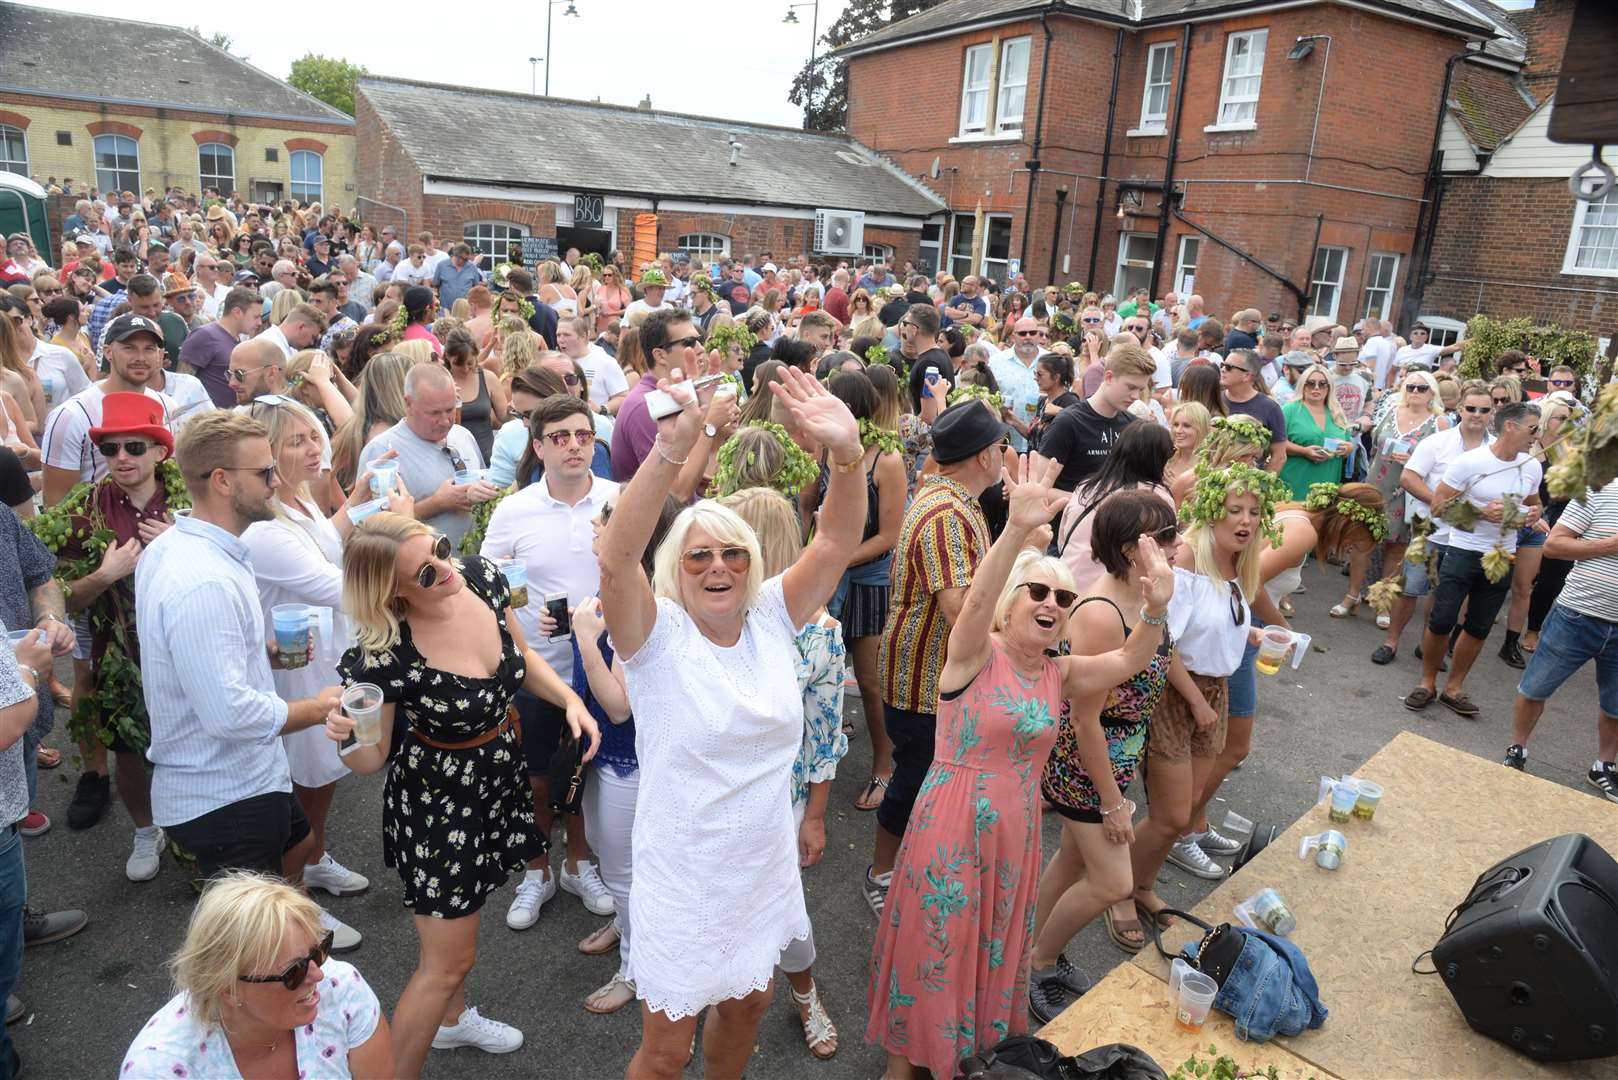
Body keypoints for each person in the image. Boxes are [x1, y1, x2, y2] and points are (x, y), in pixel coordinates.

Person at [868, 456, 1175, 1079]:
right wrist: (1015, 532)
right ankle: (903, 1065)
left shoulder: (1057, 673)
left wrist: (1156, 607)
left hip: (1016, 830)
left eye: (1064, 597)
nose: (1053, 602)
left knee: (991, 943)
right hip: (951, 822)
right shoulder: (974, 656)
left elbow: (1129, 658)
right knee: (938, 942)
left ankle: (966, 1046)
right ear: (1011, 606)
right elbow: (976, 597)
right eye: (1038, 591)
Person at [597, 365, 864, 1080]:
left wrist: (848, 455)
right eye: (699, 556)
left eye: (733, 552)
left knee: (747, 1012)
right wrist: (670, 451)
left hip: (761, 868)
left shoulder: (774, 616)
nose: (718, 566)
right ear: (676, 572)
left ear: (752, 563)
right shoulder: (655, 641)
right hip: (683, 876)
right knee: (663, 1053)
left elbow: (835, 542)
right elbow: (617, 558)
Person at [328, 512, 597, 1075]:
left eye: (441, 549)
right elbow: (369, 761)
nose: (445, 570)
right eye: (424, 574)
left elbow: (517, 662)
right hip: (438, 806)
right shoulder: (386, 653)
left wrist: (570, 700)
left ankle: (452, 1024)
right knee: (447, 963)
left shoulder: (479, 576)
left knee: (456, 937)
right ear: (392, 594)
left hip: (496, 781)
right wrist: (348, 735)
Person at [134, 410, 360, 942]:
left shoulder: (188, 547)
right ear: (222, 481)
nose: (277, 481)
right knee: (253, 952)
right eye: (264, 473)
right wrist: (322, 706)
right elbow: (230, 714)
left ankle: (302, 926)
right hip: (224, 793)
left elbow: (198, 651)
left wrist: (264, 649)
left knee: (299, 847)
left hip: (252, 773)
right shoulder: (203, 580)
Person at [242, 396, 408, 904]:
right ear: (267, 453)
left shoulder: (296, 497)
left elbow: (329, 541)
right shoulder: (265, 529)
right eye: (297, 441)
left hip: (326, 655)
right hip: (297, 669)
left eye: (315, 434)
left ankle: (313, 861)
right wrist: (407, 528)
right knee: (302, 784)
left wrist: (358, 499)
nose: (316, 448)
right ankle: (294, 898)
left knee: (325, 773)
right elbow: (337, 585)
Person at [1028, 490, 1181, 1012]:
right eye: (1161, 538)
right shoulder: (1099, 613)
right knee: (1115, 881)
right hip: (1084, 766)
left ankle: (1027, 952)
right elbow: (1084, 719)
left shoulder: (1147, 596)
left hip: (1117, 759)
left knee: (1072, 859)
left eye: (1172, 533)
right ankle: (1040, 964)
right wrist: (1114, 802)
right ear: (1127, 549)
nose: (1174, 544)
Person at [1121, 463, 1281, 931]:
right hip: (1180, 693)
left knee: (1183, 809)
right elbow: (1163, 641)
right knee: (1170, 816)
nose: (1246, 521)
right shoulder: (1189, 559)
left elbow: (1209, 621)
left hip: (1214, 692)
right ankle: (1118, 893)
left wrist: (1248, 634)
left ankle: (1142, 886)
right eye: (1235, 510)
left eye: (1254, 512)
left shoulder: (1237, 562)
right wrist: (1195, 701)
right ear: (1213, 513)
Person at [480, 395, 619, 930]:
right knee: (536, 781)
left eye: (583, 435)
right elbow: (489, 587)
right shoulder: (513, 510)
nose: (574, 446)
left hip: (603, 666)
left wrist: (606, 615)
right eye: (559, 437)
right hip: (536, 670)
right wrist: (520, 616)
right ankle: (535, 871)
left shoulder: (616, 498)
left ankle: (578, 864)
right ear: (538, 448)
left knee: (589, 772)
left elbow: (639, 573)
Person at [721, 486, 847, 1061]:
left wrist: (815, 817)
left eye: (730, 545)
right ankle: (719, 996)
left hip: (779, 799)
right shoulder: (697, 622)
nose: (716, 561)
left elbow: (826, 735)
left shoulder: (819, 633)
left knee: (784, 911)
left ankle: (804, 993)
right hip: (708, 799)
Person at [865, 402, 1004, 917]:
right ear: (985, 455)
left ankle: (910, 867)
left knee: (931, 783)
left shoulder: (952, 498)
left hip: (934, 678)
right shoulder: (945, 512)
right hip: (923, 682)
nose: (1006, 456)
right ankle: (881, 875)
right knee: (915, 781)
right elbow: (960, 610)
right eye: (1002, 447)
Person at [42, 394, 186, 881]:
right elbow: (59, 598)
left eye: (134, 447)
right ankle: (146, 830)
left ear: (160, 452)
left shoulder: (195, 498)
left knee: (195, 742)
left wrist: (182, 545)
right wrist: (107, 574)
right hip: (119, 655)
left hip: (187, 646)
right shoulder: (87, 509)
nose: (121, 458)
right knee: (127, 748)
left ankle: (194, 829)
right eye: (110, 449)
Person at [120, 872, 394, 1078]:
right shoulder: (160, 1069)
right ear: (228, 988)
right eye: (293, 972)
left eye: (318, 951)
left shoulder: (341, 988)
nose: (317, 975)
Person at [1403, 401, 1543, 718]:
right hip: (1463, 549)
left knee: (1479, 626)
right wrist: (1482, 512)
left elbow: (1536, 505)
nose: (1538, 434)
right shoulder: (1470, 462)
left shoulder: (1531, 466)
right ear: (1511, 427)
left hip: (1502, 555)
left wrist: (1534, 514)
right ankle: (1427, 682)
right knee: (1441, 619)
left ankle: (1454, 687)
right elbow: (1438, 507)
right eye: (1533, 428)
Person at [1503, 477, 1618, 797]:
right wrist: (1609, 545)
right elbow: (1554, 545)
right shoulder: (1599, 493)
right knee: (1535, 687)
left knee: (1616, 705)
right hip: (1578, 614)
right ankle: (1517, 750)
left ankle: (1604, 766)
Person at [1342, 370, 1449, 621]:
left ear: (1432, 392)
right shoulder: (1392, 411)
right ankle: (1353, 595)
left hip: (1406, 491)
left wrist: (1414, 460)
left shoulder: (1440, 423)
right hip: (1377, 485)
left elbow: (1443, 462)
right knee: (1362, 542)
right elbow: (1375, 445)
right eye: (1410, 387)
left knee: (1395, 548)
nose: (1414, 392)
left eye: (1421, 388)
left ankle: (1383, 602)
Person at [357, 364, 495, 549]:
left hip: (475, 567)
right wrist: (437, 503)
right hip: (427, 573)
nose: (446, 420)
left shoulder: (463, 435)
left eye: (450, 409)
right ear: (408, 403)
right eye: (434, 413)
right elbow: (370, 530)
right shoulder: (382, 451)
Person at [1056, 421, 1175, 593]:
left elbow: (1063, 539)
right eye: (1172, 452)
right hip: (1108, 595)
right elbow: (1165, 552)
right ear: (1160, 458)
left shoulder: (1087, 486)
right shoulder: (1157, 498)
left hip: (1065, 584)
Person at [1041, 343, 1154, 495]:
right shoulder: (1068, 422)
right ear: (1108, 377)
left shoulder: (1134, 426)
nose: (1136, 396)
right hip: (1071, 517)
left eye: (1140, 390)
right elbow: (1039, 490)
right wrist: (1096, 502)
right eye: (1130, 387)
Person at [609, 308, 704, 482]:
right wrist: (710, 426)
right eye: (689, 342)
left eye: (700, 340)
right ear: (660, 355)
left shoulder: (676, 394)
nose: (701, 348)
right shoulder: (645, 406)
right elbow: (674, 492)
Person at [1279, 363, 1353, 499]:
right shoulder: (1290, 410)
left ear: (1329, 387)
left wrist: (1347, 448)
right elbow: (1276, 443)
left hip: (1327, 482)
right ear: (1303, 385)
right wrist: (1304, 451)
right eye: (1311, 383)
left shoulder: (1336, 412)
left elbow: (1348, 442)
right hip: (1294, 481)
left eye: (1322, 383)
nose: (1316, 388)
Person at [1220, 348, 1287, 475]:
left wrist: (1261, 486)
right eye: (1222, 365)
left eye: (1229, 367)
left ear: (1247, 375)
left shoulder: (1270, 407)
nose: (1223, 369)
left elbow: (1279, 456)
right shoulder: (1214, 400)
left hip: (1247, 484)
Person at [1164, 401, 1210, 493]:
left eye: (1186, 426)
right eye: (1176, 425)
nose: (1178, 430)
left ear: (1201, 428)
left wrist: (1177, 488)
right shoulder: (1166, 458)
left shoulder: (1210, 465)